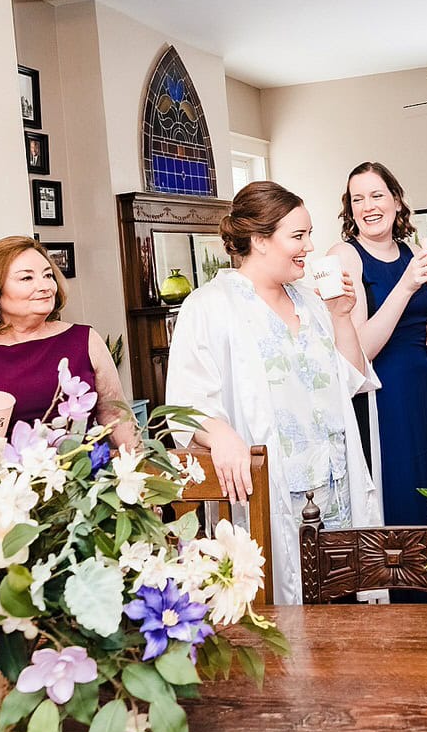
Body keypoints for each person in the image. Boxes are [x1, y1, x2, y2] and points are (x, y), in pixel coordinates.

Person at [164, 181, 383, 605]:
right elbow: (186, 405)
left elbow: (352, 380)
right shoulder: (209, 306)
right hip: (274, 491)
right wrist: (220, 434)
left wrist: (340, 317)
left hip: (337, 489)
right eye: (298, 236)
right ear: (260, 240)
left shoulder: (311, 300)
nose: (310, 246)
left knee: (347, 610)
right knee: (290, 615)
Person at [327, 162, 427, 525]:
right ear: (350, 209)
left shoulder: (413, 253)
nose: (368, 206)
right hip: (383, 399)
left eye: (377, 195)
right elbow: (359, 352)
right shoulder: (345, 256)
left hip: (424, 396)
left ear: (397, 201)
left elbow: (426, 338)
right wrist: (407, 285)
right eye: (358, 199)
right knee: (399, 503)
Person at [0, 235, 133, 445]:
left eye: (48, 275)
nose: (46, 286)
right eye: (27, 278)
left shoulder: (85, 341)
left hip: (79, 476)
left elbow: (116, 416)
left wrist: (140, 469)